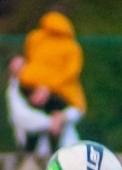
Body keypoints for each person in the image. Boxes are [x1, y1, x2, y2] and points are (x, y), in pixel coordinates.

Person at [7, 11, 85, 156]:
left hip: (63, 150)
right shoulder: (19, 89)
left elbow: (75, 110)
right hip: (38, 150)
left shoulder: (38, 40)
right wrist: (51, 122)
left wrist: (59, 117)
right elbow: (22, 116)